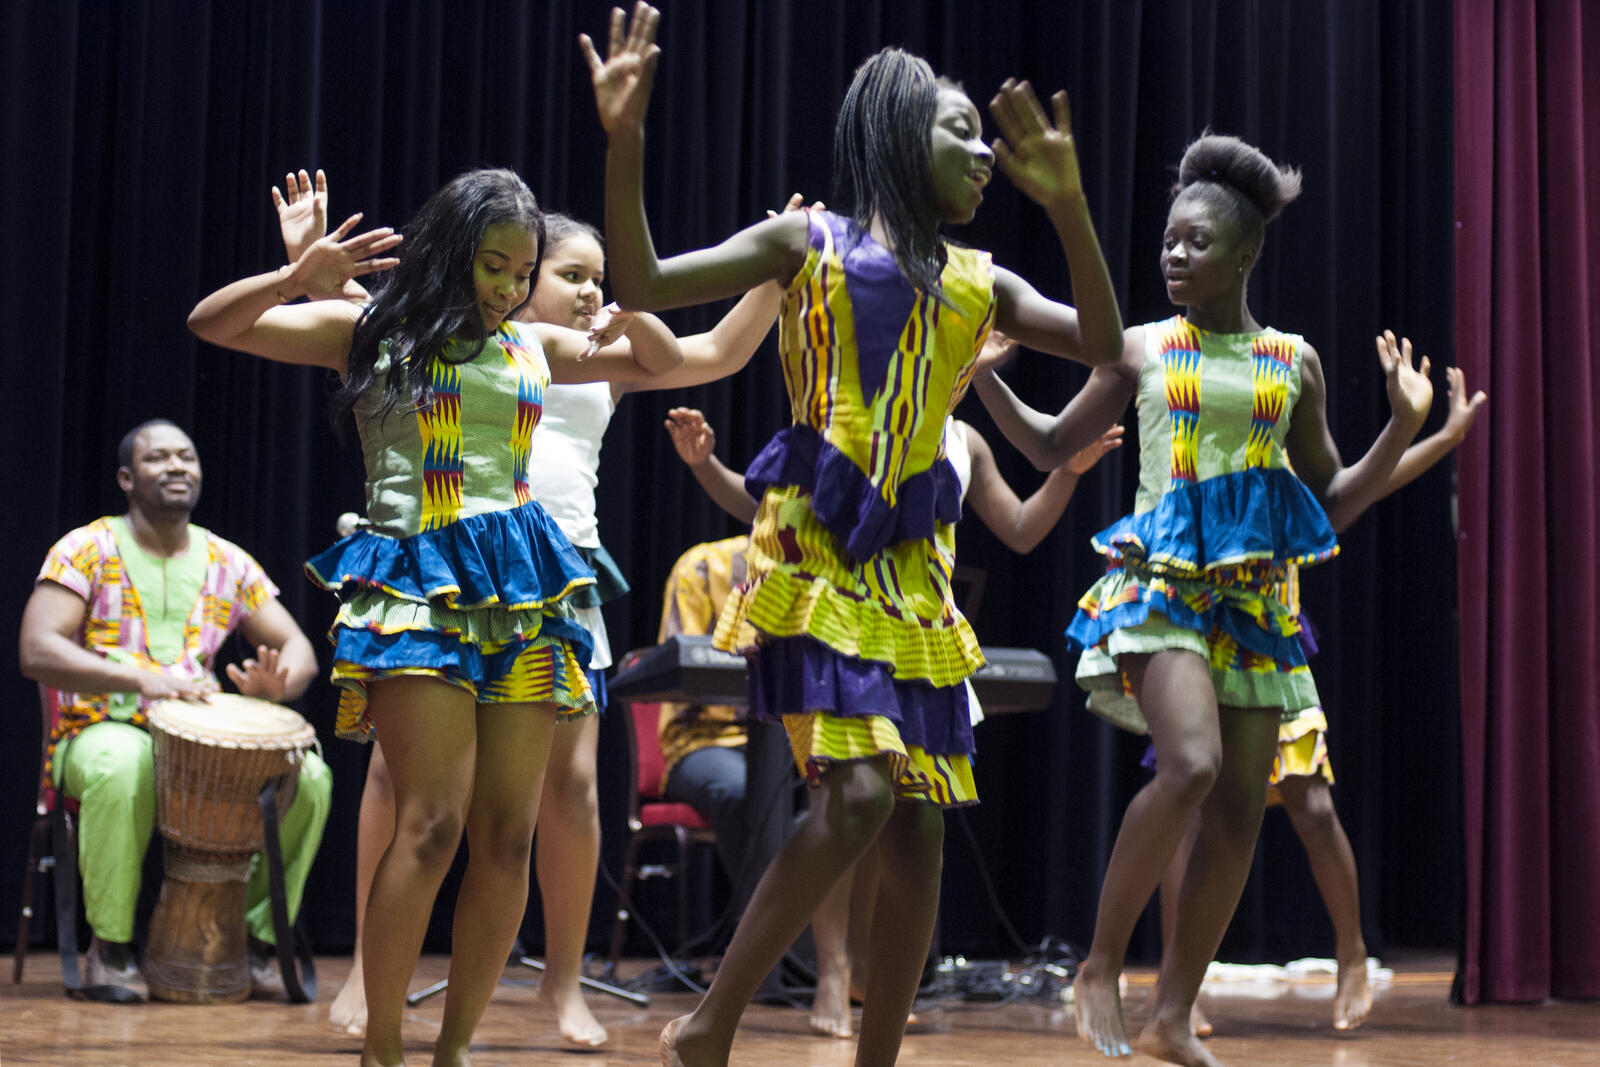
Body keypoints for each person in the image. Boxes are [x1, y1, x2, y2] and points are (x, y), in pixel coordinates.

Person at [582, 10, 1127, 1064]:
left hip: (915, 570)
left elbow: (1103, 342)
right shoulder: (808, 243)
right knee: (864, 790)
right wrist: (627, 138)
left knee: (919, 823)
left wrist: (1068, 208)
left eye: (987, 141)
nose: (984, 154)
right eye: (961, 132)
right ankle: (710, 1023)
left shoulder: (980, 281)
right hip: (817, 545)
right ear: (898, 134)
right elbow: (644, 283)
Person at [275, 173, 793, 1046]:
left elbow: (708, 354)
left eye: (598, 278)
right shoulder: (443, 333)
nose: (590, 290)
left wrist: (773, 277)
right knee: (405, 787)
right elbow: (358, 329)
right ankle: (369, 969)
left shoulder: (585, 361)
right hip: (439, 578)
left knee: (566, 788)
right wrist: (304, 273)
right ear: (511, 270)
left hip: (550, 587)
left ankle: (562, 981)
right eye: (570, 274)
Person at [187, 168, 682, 1067]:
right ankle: (383, 1046)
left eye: (523, 273)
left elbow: (662, 362)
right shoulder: (371, 330)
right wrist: (297, 276)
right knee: (431, 823)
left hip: (524, 592)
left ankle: (451, 1048)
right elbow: (212, 323)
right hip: (417, 586)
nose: (509, 288)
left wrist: (630, 315)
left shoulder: (534, 344)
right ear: (453, 251)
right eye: (495, 266)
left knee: (508, 835)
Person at [972, 134, 1434, 1066]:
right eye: (1168, 240)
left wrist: (1401, 426)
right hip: (1159, 589)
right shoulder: (1142, 347)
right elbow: (1052, 444)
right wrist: (982, 377)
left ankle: (1173, 1015)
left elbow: (1331, 497)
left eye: (1196, 242)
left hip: (1254, 604)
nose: (1174, 255)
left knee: (1237, 814)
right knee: (1189, 764)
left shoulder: (1293, 361)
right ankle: (1101, 964)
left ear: (1245, 252)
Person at [663, 398, 1123, 1037]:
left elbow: (1020, 528)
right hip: (844, 614)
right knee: (848, 800)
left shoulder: (965, 440)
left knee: (915, 822)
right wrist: (704, 464)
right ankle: (824, 975)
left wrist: (1067, 471)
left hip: (917, 627)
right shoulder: (856, 402)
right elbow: (761, 500)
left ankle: (865, 993)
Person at [1154, 363, 1487, 1038]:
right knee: (1185, 812)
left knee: (1311, 804)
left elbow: (1366, 482)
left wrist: (1444, 437)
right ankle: (1177, 982)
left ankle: (1351, 950)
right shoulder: (1193, 461)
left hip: (1273, 647)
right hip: (1199, 646)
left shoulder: (1287, 470)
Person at [18, 419, 331, 1002]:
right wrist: (142, 679)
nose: (177, 467)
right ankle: (110, 949)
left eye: (186, 457)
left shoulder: (227, 561)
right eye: (158, 458)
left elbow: (299, 648)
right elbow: (37, 649)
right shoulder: (86, 548)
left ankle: (257, 943)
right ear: (126, 478)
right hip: (101, 728)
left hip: (199, 742)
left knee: (309, 777)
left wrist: (277, 685)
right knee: (123, 764)